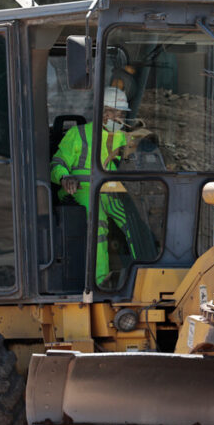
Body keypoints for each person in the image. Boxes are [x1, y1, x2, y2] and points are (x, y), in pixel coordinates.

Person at [50, 87, 136, 284]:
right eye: (115, 112)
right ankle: (99, 281)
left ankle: (145, 271)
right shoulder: (78, 134)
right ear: (102, 112)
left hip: (113, 191)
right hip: (80, 191)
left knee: (135, 223)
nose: (119, 118)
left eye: (122, 114)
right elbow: (58, 163)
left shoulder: (125, 138)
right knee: (96, 226)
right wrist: (64, 178)